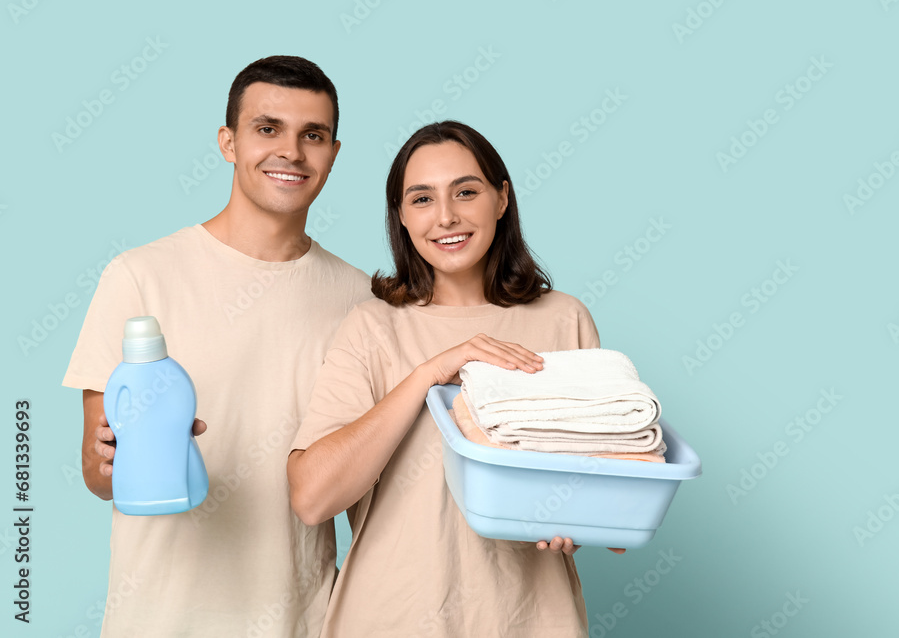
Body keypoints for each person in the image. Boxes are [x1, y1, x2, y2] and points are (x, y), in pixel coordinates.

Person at [63, 55, 372, 637]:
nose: (291, 152)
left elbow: (366, 483)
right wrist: (120, 459)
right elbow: (95, 471)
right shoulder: (138, 277)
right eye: (267, 129)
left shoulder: (362, 299)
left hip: (301, 621)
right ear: (229, 142)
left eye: (314, 135)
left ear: (333, 152)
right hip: (158, 620)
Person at [287, 121, 603, 637]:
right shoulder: (372, 327)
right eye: (422, 199)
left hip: (529, 620)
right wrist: (430, 373)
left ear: (501, 199)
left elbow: (608, 493)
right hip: (391, 619)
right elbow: (312, 498)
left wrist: (578, 520)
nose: (447, 216)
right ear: (402, 218)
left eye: (465, 192)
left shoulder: (564, 320)